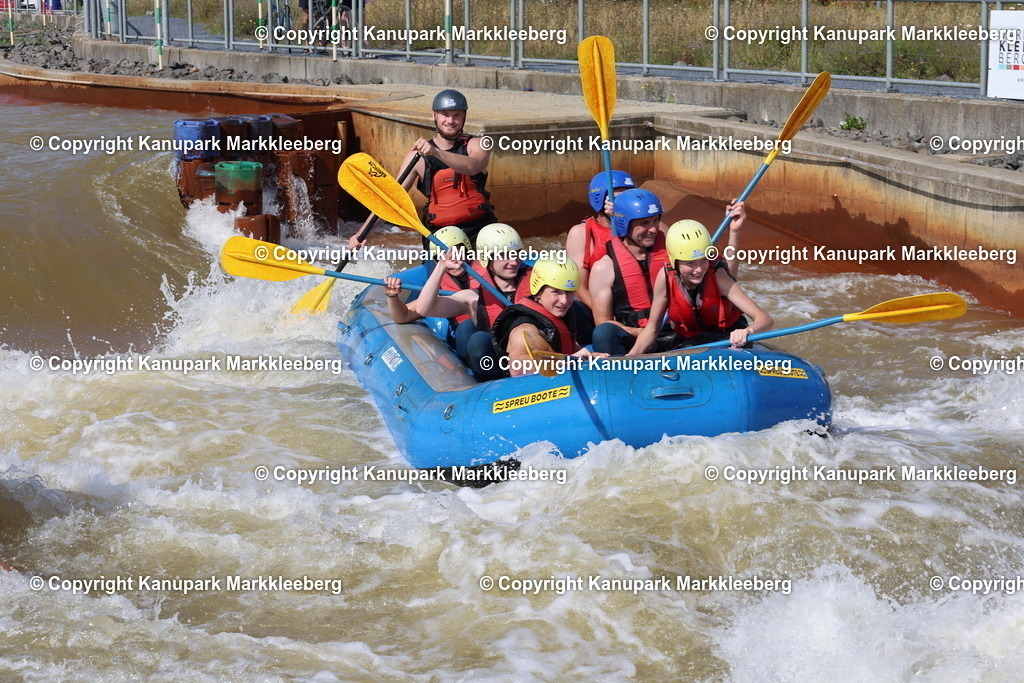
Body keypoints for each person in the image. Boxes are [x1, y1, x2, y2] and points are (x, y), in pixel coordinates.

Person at [349, 88, 496, 250]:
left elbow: (473, 167)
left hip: (479, 230)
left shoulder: (477, 144)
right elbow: (391, 200)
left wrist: (436, 152)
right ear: (434, 115)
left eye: (456, 115)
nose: (451, 121)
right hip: (440, 236)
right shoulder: (417, 157)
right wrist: (361, 233)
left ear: (463, 117)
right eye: (445, 115)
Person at [628, 220, 773, 354]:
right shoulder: (665, 277)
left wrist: (748, 332)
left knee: (691, 346)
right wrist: (630, 356)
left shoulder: (718, 276)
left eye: (703, 260)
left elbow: (765, 319)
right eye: (690, 263)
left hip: (727, 337)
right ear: (674, 261)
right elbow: (652, 329)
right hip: (692, 340)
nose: (699, 269)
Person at [588, 188, 670, 356]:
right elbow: (604, 321)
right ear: (623, 224)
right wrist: (639, 333)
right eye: (644, 223)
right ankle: (621, 375)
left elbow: (720, 276)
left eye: (655, 221)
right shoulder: (603, 268)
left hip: (671, 333)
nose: (653, 229)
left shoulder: (673, 251)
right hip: (633, 336)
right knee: (604, 333)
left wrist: (733, 234)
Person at [491, 258, 605, 377]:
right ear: (539, 292)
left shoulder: (557, 314)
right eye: (556, 292)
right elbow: (518, 368)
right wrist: (570, 360)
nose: (564, 301)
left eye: (569, 292)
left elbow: (567, 348)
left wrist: (592, 356)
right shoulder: (525, 329)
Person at [564, 170, 637, 310]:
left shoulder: (639, 230)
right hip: (597, 307)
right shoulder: (580, 233)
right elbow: (580, 287)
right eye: (617, 199)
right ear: (600, 200)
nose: (623, 204)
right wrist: (606, 315)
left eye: (628, 198)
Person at [382, 226, 476, 333]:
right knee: (467, 328)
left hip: (489, 333)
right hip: (466, 336)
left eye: (456, 253)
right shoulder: (438, 287)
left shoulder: (488, 275)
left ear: (467, 250)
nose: (452, 260)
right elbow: (403, 316)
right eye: (443, 257)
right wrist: (392, 295)